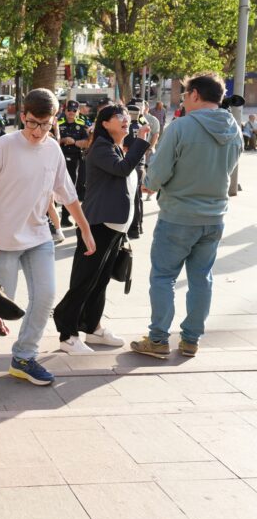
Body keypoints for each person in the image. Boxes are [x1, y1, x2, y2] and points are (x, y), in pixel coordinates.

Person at [0, 88, 96, 385]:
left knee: (45, 297)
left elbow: (67, 193)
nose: (38, 131)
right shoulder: (3, 146)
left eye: (45, 125)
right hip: (3, 239)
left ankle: (24, 356)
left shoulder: (53, 149)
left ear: (54, 120)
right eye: (33, 123)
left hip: (38, 236)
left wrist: (84, 228)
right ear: (23, 117)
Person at [131, 72, 242, 359]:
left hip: (178, 215)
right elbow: (231, 170)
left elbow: (158, 172)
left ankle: (157, 340)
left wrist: (150, 184)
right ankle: (191, 339)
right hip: (214, 216)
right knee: (201, 279)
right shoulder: (234, 127)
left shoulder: (182, 127)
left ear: (194, 95)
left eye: (184, 93)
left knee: (163, 277)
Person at [53, 105, 150, 354]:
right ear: (105, 123)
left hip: (115, 226)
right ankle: (67, 333)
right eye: (119, 117)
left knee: (100, 280)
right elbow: (122, 169)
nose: (126, 119)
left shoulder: (115, 147)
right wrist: (140, 143)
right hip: (97, 225)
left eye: (127, 116)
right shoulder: (101, 148)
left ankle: (93, 328)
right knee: (85, 280)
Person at [56, 99, 91, 227]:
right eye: (69, 110)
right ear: (65, 110)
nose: (71, 112)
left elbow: (88, 142)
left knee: (74, 187)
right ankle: (53, 217)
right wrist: (64, 139)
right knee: (56, 187)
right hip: (60, 158)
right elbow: (52, 140)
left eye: (74, 110)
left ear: (77, 112)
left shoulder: (82, 124)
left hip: (76, 159)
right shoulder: (58, 123)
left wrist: (75, 142)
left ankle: (66, 216)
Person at [123, 103, 149, 239]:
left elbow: (125, 148)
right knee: (138, 197)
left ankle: (133, 228)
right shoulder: (141, 127)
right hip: (141, 164)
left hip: (131, 165)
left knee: (131, 197)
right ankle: (139, 225)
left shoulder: (127, 128)